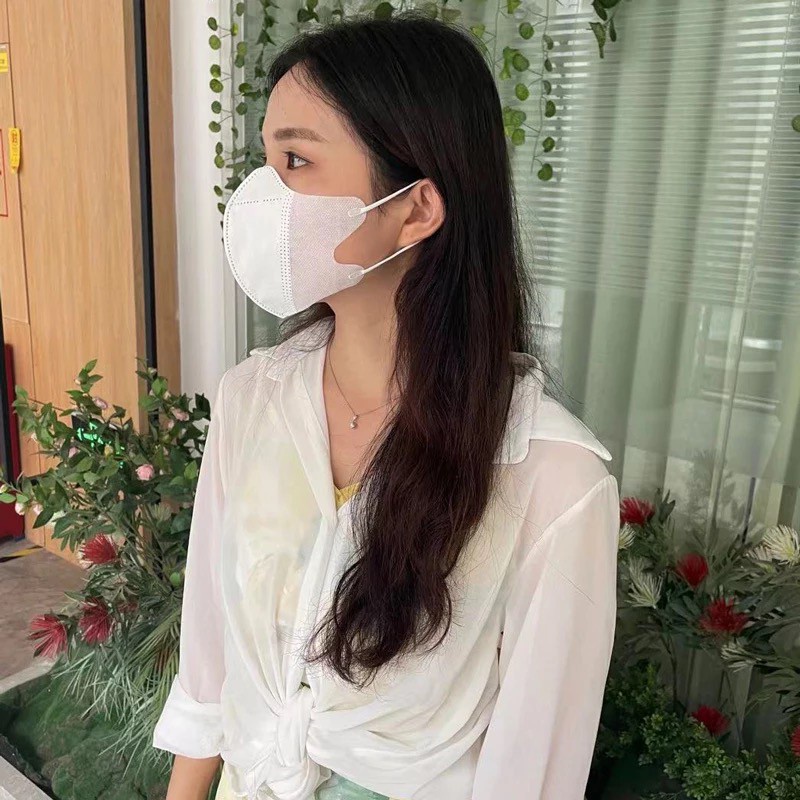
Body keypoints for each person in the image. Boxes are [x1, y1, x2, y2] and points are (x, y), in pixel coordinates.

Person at [152, 12, 620, 800]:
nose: (260, 196)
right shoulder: (251, 401)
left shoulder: (551, 479)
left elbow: (531, 776)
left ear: (416, 209)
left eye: (297, 160)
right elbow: (209, 667)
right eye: (265, 161)